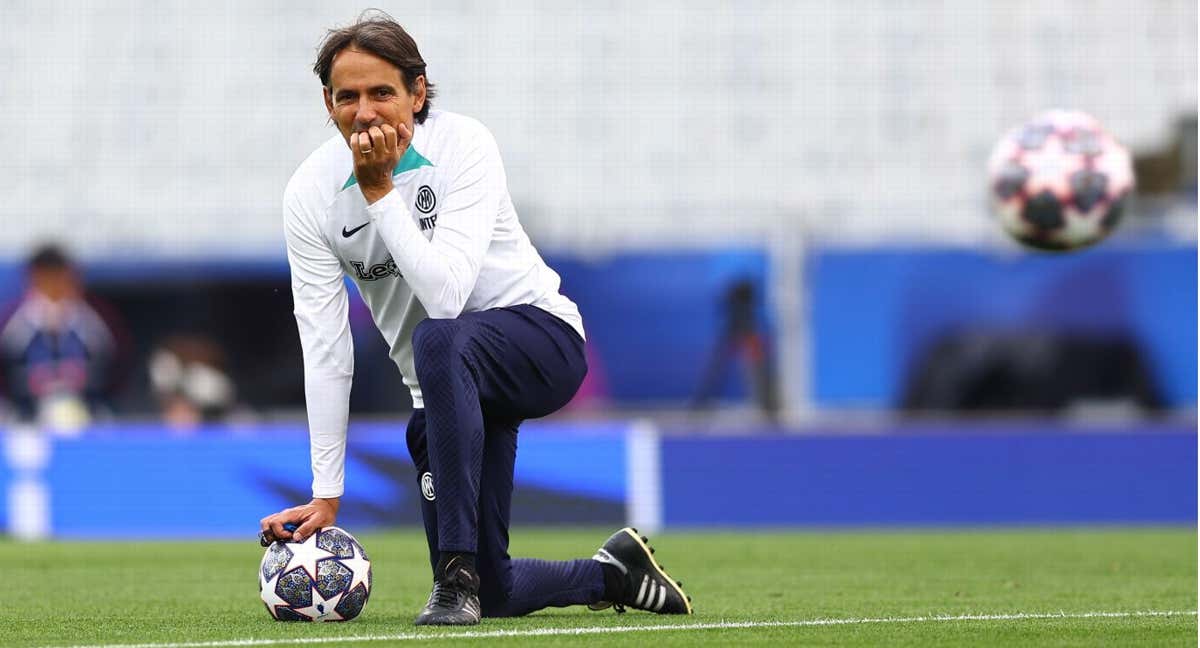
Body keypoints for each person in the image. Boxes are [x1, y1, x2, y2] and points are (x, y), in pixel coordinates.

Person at [258, 14, 691, 625]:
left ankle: (453, 578)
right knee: (498, 590)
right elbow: (326, 349)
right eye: (347, 96)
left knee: (437, 335)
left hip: (539, 340)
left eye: (383, 92)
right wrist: (327, 492)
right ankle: (610, 574)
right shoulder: (309, 195)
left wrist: (380, 192)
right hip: (442, 388)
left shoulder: (464, 146)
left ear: (418, 91)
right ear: (327, 102)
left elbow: (445, 298)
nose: (365, 112)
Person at [0, 244, 127, 429]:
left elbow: (119, 362)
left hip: (88, 415)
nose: (54, 286)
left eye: (60, 277)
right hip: (26, 417)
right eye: (47, 279)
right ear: (33, 279)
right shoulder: (12, 319)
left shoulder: (97, 316)